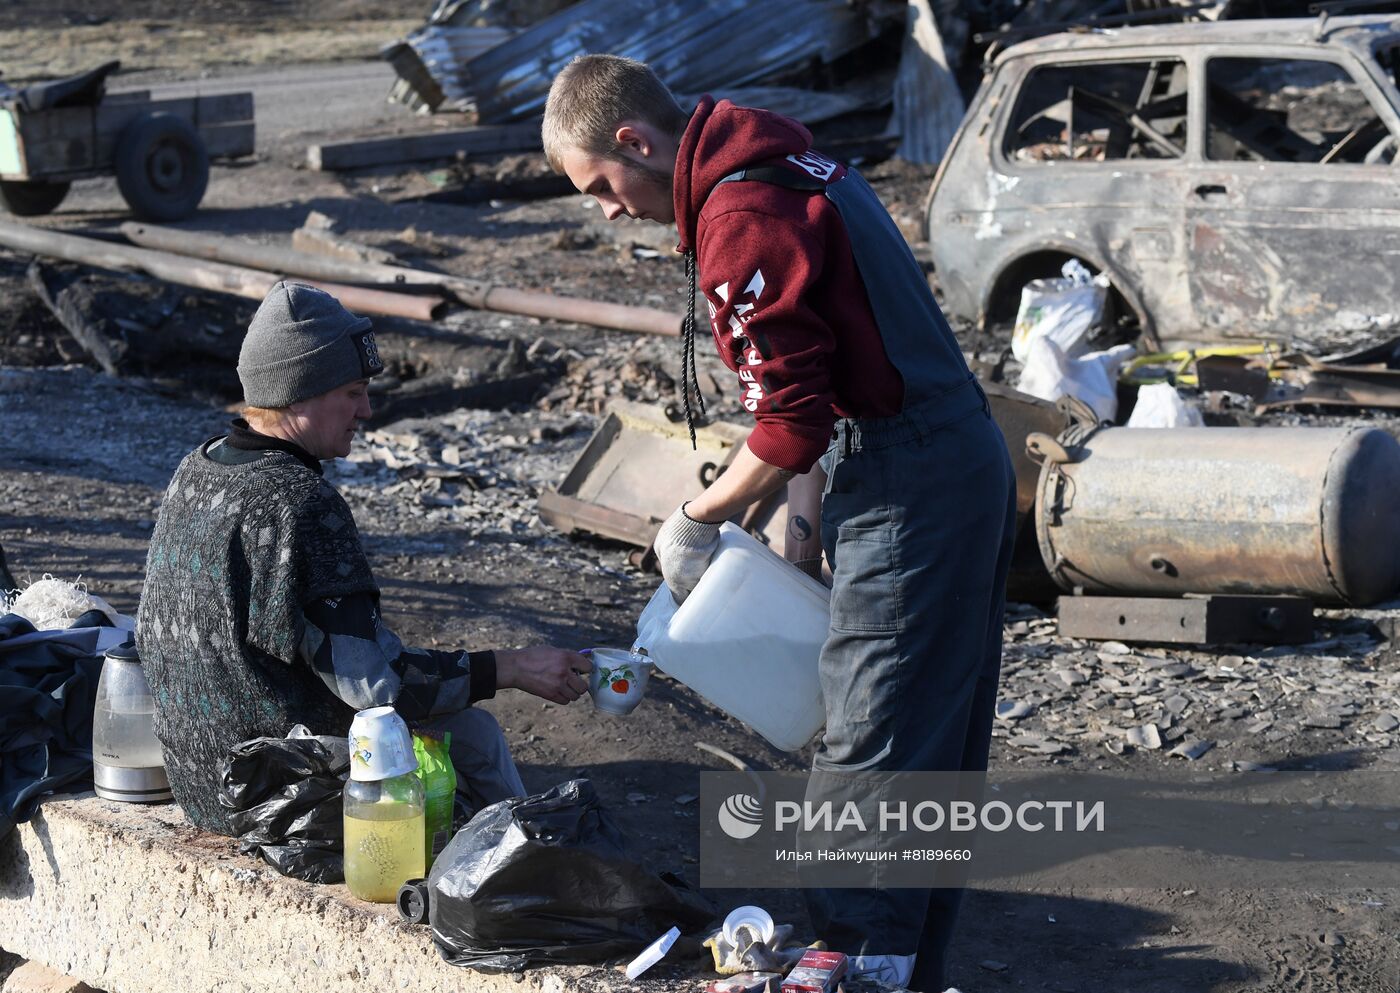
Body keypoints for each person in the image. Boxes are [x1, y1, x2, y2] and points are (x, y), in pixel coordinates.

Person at [543, 56, 1016, 992]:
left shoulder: (740, 218)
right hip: (948, 455)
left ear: (635, 142)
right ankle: (906, 963)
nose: (604, 209)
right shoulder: (793, 166)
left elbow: (794, 419)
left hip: (907, 476)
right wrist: (799, 536)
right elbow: (824, 390)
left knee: (870, 739)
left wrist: (696, 516)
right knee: (932, 737)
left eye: (599, 185)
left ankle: (859, 965)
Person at [137, 280, 590, 836]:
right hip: (275, 796)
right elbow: (379, 690)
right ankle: (520, 875)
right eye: (353, 393)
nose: (367, 410)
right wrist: (513, 667)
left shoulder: (199, 467)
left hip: (199, 780)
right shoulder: (301, 504)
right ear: (299, 392)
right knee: (473, 736)